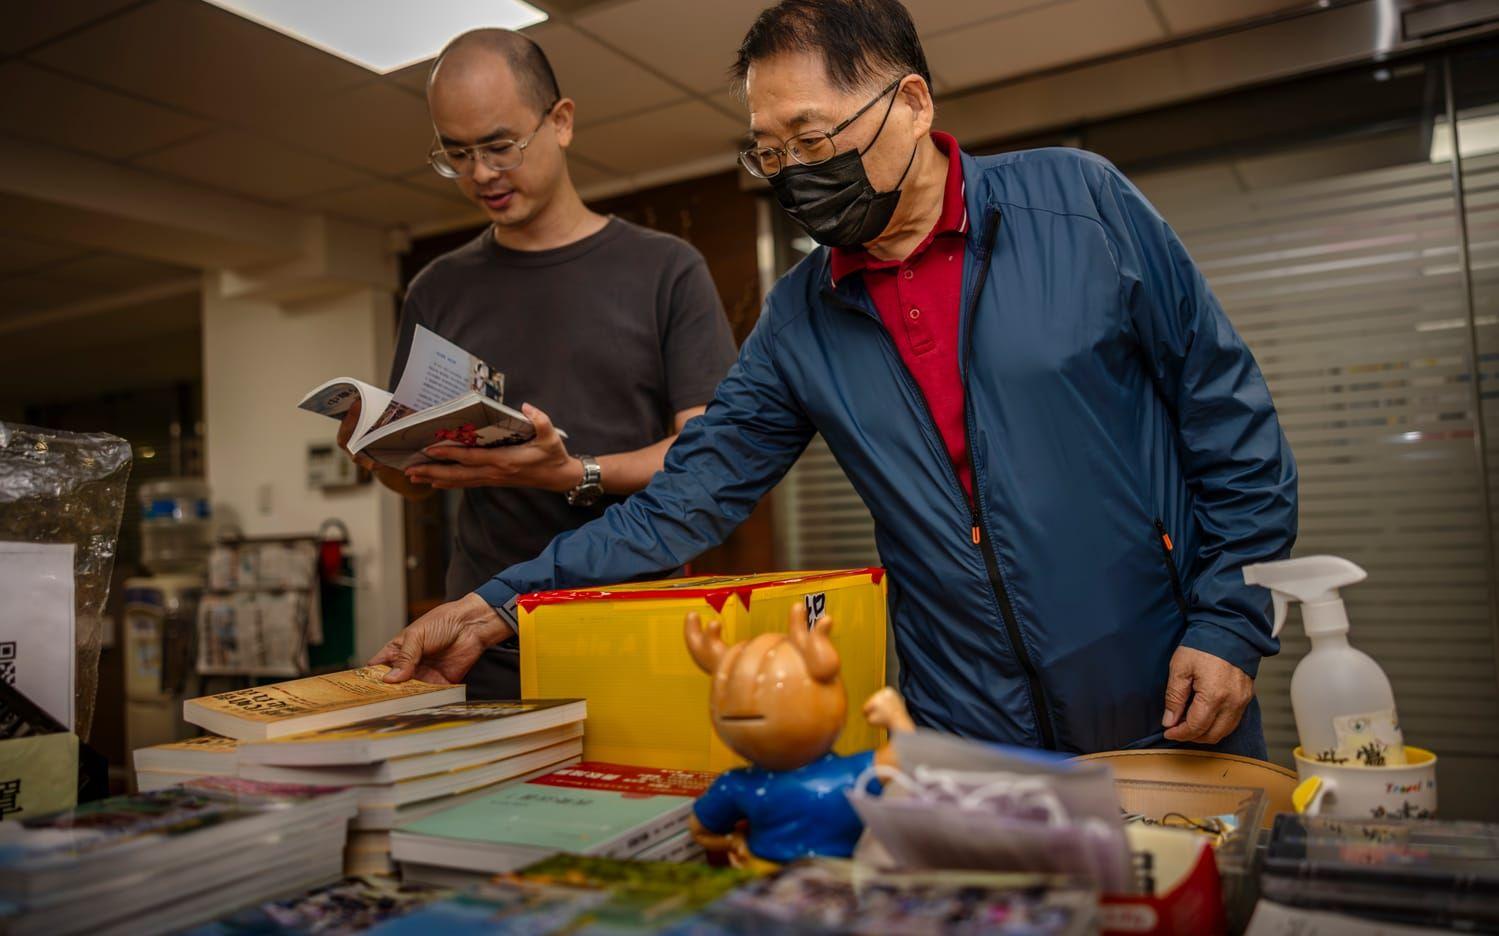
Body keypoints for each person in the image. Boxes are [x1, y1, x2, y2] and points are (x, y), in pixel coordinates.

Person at [372, 0, 1298, 757]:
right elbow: (684, 500)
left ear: (912, 104)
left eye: (811, 139)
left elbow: (1232, 431)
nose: (793, 174)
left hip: (1162, 682)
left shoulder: (1080, 205)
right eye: (768, 152)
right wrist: (496, 606)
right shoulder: (801, 317)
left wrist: (1227, 622)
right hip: (961, 720)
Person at [342, 29, 738, 698]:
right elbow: (422, 484)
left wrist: (574, 473)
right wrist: (380, 452)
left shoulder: (664, 270)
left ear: (561, 122)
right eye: (457, 154)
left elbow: (708, 455)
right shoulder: (435, 290)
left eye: (499, 146)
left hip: (634, 623)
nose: (480, 174)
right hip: (478, 641)